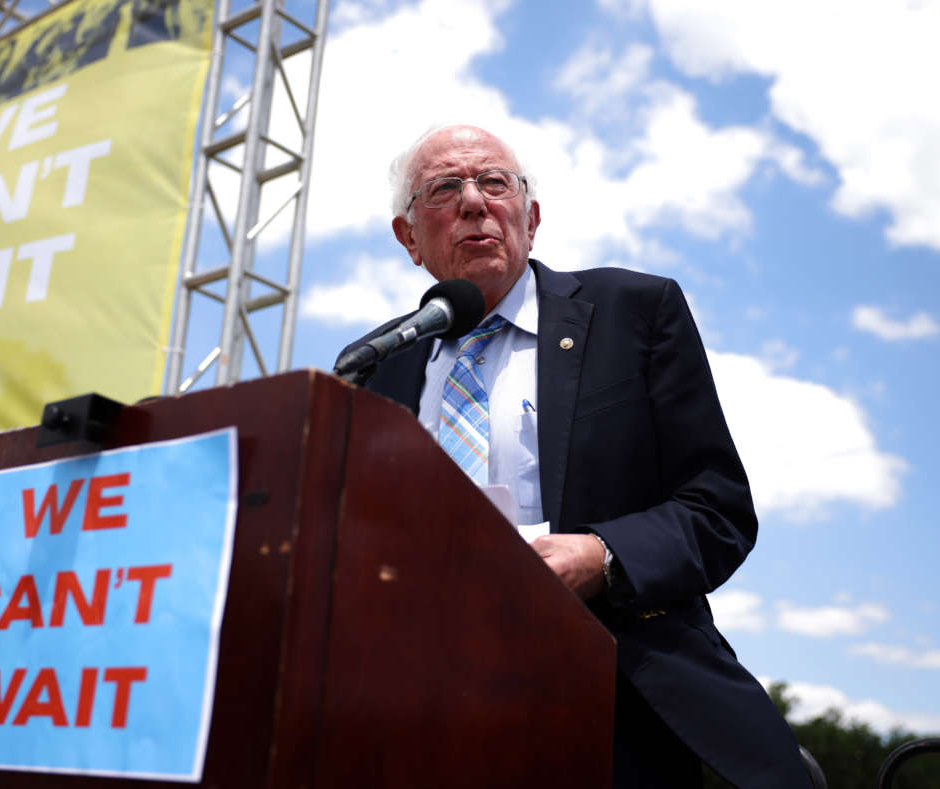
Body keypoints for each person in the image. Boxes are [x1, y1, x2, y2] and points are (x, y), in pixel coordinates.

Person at [338, 124, 811, 788]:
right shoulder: (382, 364)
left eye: (494, 182)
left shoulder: (634, 313)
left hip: (614, 706)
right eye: (445, 187)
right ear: (409, 237)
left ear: (529, 219)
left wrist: (599, 554)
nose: (474, 202)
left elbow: (718, 511)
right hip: (426, 713)